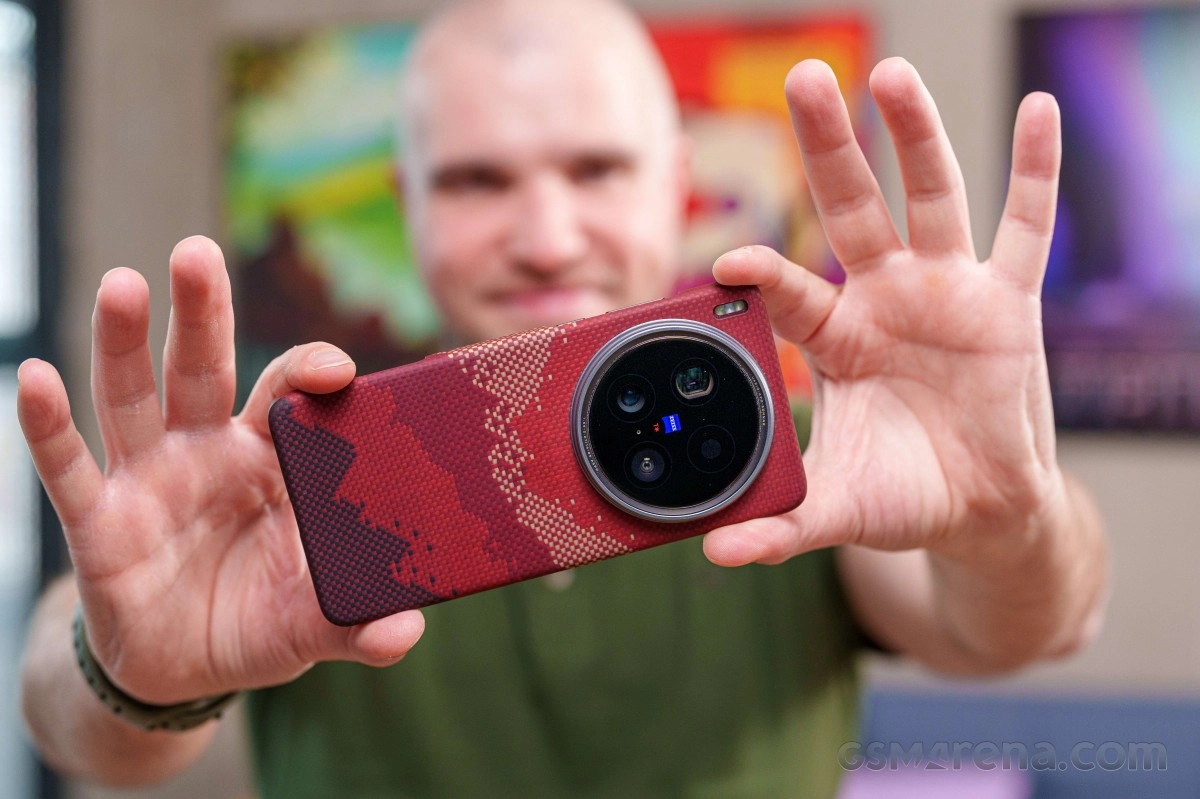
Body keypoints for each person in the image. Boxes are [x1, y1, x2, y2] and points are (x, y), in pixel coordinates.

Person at [17, 0, 1108, 796]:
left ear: (673, 178)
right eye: (478, 180)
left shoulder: (816, 455)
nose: (545, 236)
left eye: (595, 170)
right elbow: (80, 716)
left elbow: (1015, 631)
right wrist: (130, 671)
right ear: (409, 198)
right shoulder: (294, 479)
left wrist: (1007, 509)